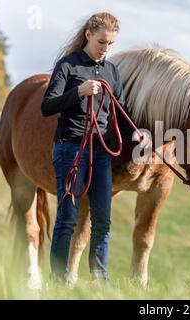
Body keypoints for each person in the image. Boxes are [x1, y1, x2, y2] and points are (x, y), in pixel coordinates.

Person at [41, 12, 149, 283]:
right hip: (70, 150)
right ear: (88, 35)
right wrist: (78, 92)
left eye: (111, 43)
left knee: (103, 222)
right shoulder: (67, 66)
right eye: (102, 42)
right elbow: (48, 106)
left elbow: (119, 111)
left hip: (100, 154)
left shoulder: (111, 71)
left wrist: (136, 133)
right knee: (67, 219)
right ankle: (57, 279)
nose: (106, 48)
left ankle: (99, 280)